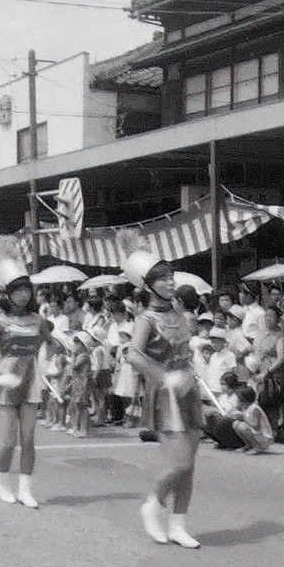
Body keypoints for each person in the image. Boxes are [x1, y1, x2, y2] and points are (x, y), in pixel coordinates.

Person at [121, 232, 203, 549]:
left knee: (190, 465)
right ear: (148, 285)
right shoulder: (146, 318)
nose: (170, 283)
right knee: (179, 464)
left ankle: (179, 524)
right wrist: (163, 376)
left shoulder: (179, 313)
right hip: (166, 393)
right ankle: (153, 505)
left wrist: (190, 364)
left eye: (171, 277)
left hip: (189, 389)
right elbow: (133, 354)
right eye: (162, 279)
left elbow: (184, 348)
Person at [0, 236, 62, 509]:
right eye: (17, 291)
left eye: (26, 289)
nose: (23, 295)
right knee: (9, 440)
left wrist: (55, 356)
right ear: (8, 294)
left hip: (30, 379)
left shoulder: (38, 320)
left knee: (28, 439)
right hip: (7, 379)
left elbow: (51, 344)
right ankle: (4, 483)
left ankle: (26, 488)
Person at [230, 384, 273, 454]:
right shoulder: (245, 408)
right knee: (236, 424)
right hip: (256, 434)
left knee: (242, 426)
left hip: (263, 436)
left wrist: (243, 418)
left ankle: (257, 447)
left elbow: (256, 426)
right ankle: (249, 445)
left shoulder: (255, 408)